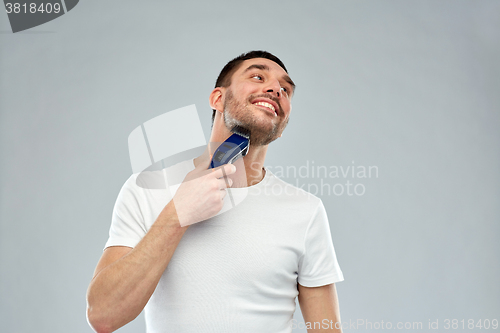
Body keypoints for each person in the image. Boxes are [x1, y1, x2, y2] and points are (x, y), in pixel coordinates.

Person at [86, 51, 344, 333]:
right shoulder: (145, 190)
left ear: (281, 126)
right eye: (258, 76)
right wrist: (177, 214)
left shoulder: (305, 210)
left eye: (286, 90)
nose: (275, 89)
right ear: (217, 99)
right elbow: (103, 315)